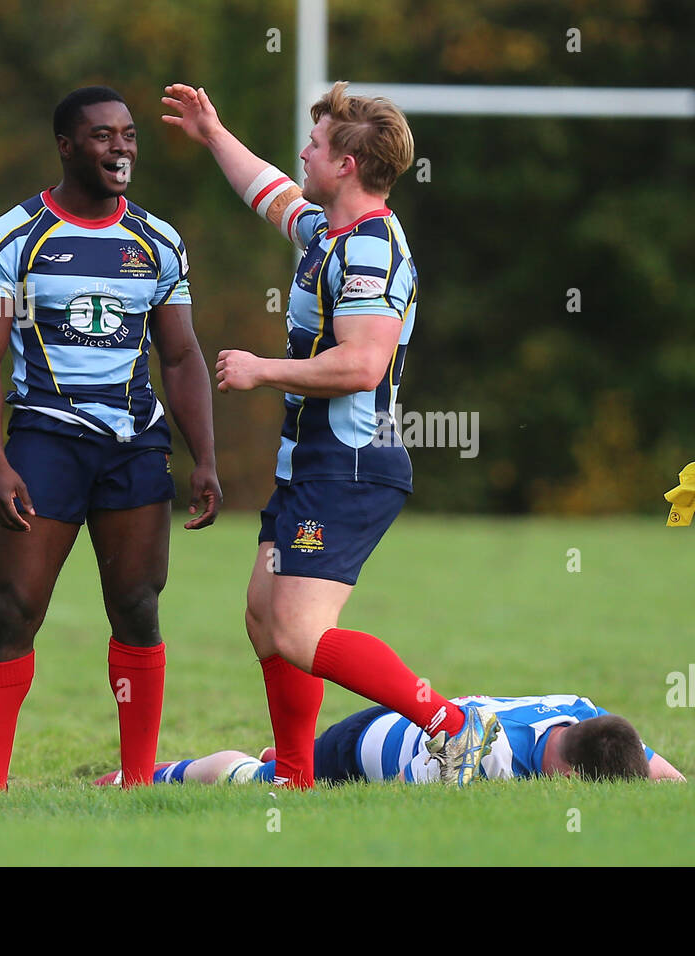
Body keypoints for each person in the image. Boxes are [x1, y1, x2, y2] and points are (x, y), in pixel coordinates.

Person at [159, 81, 500, 788]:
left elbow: (363, 362)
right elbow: (273, 193)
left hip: (350, 465)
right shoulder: (329, 231)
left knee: (298, 632)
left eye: (315, 145)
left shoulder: (371, 246)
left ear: (346, 164)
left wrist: (261, 369)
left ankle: (451, 725)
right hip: (312, 464)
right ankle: (295, 776)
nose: (303, 154)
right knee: (263, 617)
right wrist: (212, 132)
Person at [0, 86, 222, 790]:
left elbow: (181, 357)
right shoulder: (8, 237)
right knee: (16, 607)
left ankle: (138, 783)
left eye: (130, 134)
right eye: (104, 136)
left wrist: (205, 458)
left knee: (138, 605)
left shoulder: (158, 240)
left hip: (135, 441)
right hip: (46, 438)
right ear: (67, 147)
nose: (122, 148)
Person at [94, 694, 686, 787]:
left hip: (407, 717)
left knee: (296, 763)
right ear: (572, 776)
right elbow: (400, 796)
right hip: (366, 743)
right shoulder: (490, 761)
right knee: (266, 784)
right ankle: (143, 776)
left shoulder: (582, 712)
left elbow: (665, 776)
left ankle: (294, 752)